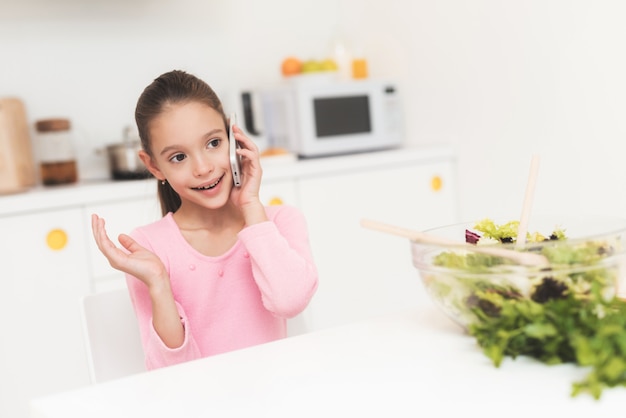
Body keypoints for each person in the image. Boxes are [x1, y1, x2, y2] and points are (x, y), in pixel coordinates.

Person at [91, 70, 319, 370]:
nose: (202, 168)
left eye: (213, 143)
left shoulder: (279, 222)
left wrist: (251, 205)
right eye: (178, 157)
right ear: (154, 165)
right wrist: (158, 283)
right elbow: (169, 375)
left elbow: (290, 301)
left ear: (233, 137)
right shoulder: (148, 248)